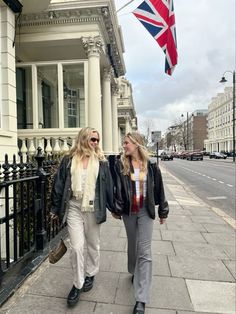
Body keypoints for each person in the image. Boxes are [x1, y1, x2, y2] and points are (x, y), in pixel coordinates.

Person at [50, 127, 114, 306]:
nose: (95, 143)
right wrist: (55, 208)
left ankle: (91, 273)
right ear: (83, 139)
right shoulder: (69, 160)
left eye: (97, 140)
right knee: (77, 247)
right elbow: (59, 184)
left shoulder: (102, 162)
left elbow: (108, 187)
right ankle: (77, 284)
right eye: (92, 139)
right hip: (74, 207)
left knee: (93, 244)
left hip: (93, 208)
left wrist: (115, 207)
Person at [112, 132, 169, 314]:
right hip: (129, 211)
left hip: (146, 210)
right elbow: (117, 189)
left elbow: (159, 188)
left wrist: (163, 211)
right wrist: (116, 208)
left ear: (137, 144)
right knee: (133, 246)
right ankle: (133, 270)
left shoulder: (151, 165)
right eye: (124, 142)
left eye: (126, 142)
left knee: (145, 251)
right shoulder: (121, 164)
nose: (124, 145)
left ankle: (141, 299)